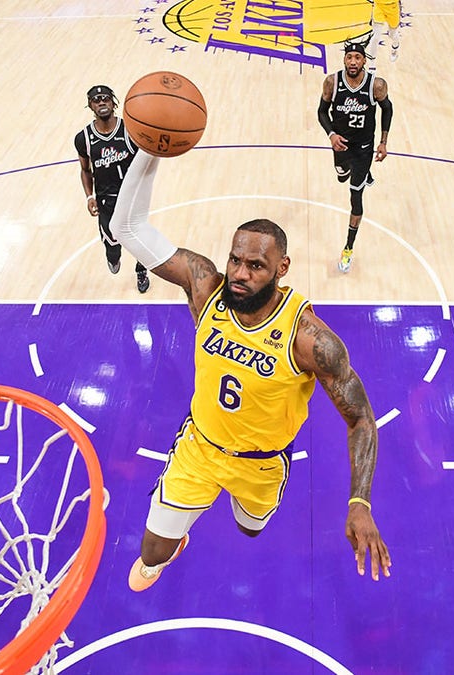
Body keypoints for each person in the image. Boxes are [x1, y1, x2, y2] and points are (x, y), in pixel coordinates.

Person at [109, 150, 392, 592]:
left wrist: (360, 502)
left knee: (250, 528)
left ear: (282, 269)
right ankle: (176, 539)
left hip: (261, 466)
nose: (240, 273)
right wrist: (148, 149)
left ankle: (243, 506)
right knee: (149, 556)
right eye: (236, 260)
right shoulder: (206, 289)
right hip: (199, 450)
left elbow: (360, 419)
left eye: (256, 265)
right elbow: (126, 227)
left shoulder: (310, 340)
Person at [317, 42, 393, 273]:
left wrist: (383, 142)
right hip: (341, 145)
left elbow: (387, 109)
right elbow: (321, 111)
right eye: (349, 57)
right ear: (344, 60)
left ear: (364, 61)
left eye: (357, 58)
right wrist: (331, 134)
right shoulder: (332, 82)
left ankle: (348, 248)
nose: (352, 62)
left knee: (355, 195)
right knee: (341, 175)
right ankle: (352, 171)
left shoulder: (376, 85)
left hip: (363, 147)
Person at [74, 84, 150, 293]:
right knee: (112, 250)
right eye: (96, 100)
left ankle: (141, 269)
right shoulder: (84, 138)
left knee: (139, 238)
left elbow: (146, 157)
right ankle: (113, 255)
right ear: (90, 105)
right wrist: (89, 197)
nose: (101, 103)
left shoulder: (130, 129)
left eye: (105, 99)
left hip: (132, 196)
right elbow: (85, 170)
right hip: (105, 199)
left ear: (113, 102)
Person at [365, 0, 402, 65]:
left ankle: (395, 48)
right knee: (375, 37)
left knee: (392, 35)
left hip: (392, 8)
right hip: (379, 7)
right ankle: (372, 65)